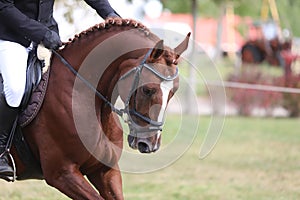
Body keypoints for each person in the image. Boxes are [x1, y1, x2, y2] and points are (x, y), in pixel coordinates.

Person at [0, 0, 120, 180]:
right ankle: (1, 151)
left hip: (48, 37)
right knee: (15, 89)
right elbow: (4, 6)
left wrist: (109, 13)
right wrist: (41, 33)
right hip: (12, 38)